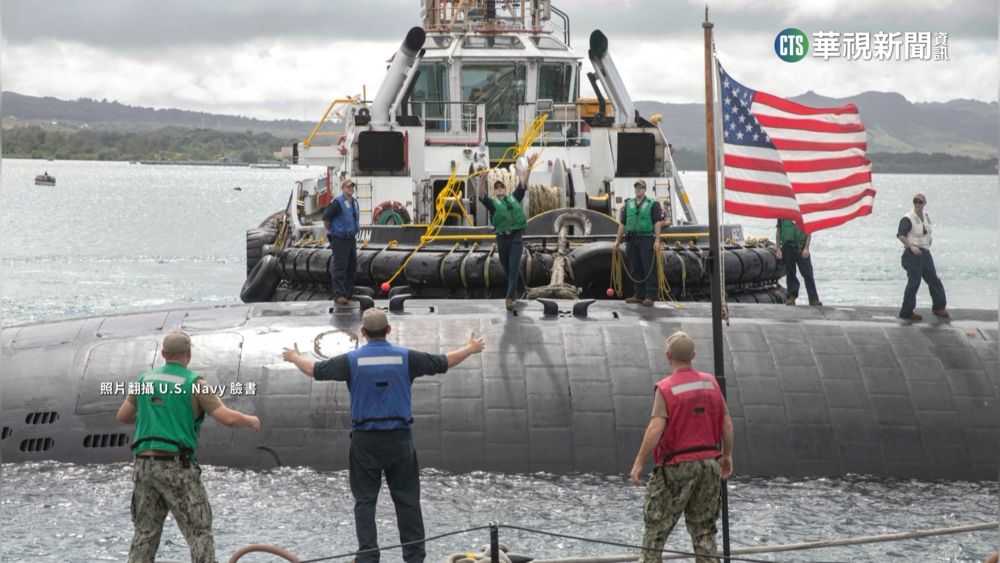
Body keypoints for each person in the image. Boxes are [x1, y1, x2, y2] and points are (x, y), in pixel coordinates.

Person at [282, 308, 485, 563]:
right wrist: (470, 348)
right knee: (408, 500)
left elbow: (314, 370)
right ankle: (414, 557)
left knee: (365, 501)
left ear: (363, 332)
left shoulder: (351, 360)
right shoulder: (406, 357)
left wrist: (295, 356)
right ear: (388, 330)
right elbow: (442, 362)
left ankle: (368, 557)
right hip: (399, 440)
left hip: (365, 441)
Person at [116, 331, 261, 563]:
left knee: (145, 532)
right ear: (189, 354)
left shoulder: (144, 380)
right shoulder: (196, 384)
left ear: (163, 354)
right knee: (199, 531)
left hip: (143, 467)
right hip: (176, 467)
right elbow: (229, 419)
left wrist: (155, 418)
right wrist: (250, 420)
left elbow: (123, 415)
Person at [630, 331, 734, 563]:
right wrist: (726, 455)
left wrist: (639, 462)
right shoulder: (711, 382)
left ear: (668, 356)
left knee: (655, 533)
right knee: (704, 532)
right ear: (693, 355)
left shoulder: (666, 388)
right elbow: (726, 422)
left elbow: (656, 428)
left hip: (677, 466)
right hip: (709, 465)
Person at [478, 153, 538, 310]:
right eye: (496, 187)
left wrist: (529, 167)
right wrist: (483, 179)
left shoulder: (514, 197)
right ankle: (521, 287)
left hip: (516, 237)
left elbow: (523, 183)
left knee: (513, 266)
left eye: (501, 186)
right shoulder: (492, 204)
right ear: (494, 190)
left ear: (505, 189)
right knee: (506, 265)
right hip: (502, 238)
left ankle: (510, 297)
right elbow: (480, 196)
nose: (499, 188)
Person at [897, 192, 948, 321]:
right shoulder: (908, 218)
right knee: (914, 282)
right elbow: (901, 235)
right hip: (913, 255)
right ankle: (906, 311)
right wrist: (911, 246)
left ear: (925, 203)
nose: (918, 204)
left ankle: (938, 307)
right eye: (915, 201)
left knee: (934, 280)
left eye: (920, 201)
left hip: (925, 253)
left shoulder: (926, 217)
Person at [613, 179, 664, 307]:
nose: (638, 189)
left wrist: (657, 240)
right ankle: (639, 295)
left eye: (641, 187)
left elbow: (657, 222)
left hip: (646, 239)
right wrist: (617, 241)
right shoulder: (629, 205)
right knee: (635, 268)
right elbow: (623, 223)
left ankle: (650, 296)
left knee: (648, 268)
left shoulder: (652, 204)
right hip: (631, 240)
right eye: (636, 186)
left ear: (645, 189)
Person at [324, 178, 361, 304]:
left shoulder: (354, 202)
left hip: (351, 238)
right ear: (343, 188)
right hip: (340, 239)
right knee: (340, 266)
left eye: (352, 186)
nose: (351, 188)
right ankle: (339, 294)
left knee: (351, 266)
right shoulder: (337, 203)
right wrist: (333, 231)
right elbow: (326, 218)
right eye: (348, 187)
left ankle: (349, 293)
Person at [775, 219, 821, 306]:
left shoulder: (803, 214)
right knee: (790, 273)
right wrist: (778, 249)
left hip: (801, 247)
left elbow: (808, 231)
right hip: (787, 247)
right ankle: (791, 297)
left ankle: (813, 299)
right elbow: (778, 231)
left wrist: (806, 247)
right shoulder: (782, 215)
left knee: (807, 273)